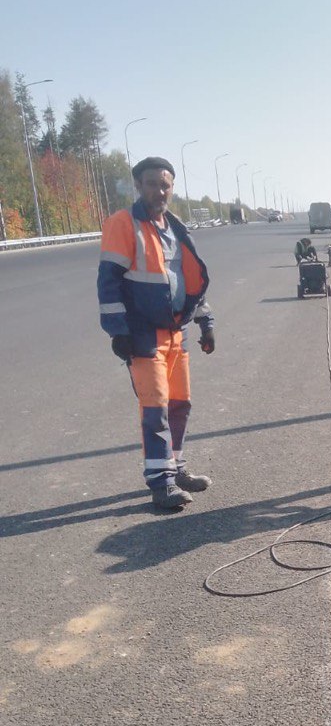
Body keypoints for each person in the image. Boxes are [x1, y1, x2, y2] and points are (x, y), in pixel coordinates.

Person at [98, 156, 216, 511]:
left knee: (180, 404)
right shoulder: (124, 224)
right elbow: (108, 282)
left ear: (172, 188)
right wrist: (119, 331)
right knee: (155, 409)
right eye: (152, 184)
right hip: (143, 333)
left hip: (176, 331)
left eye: (165, 185)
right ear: (139, 186)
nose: (159, 191)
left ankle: (176, 468)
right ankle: (161, 482)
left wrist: (205, 322)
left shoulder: (176, 227)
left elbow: (189, 280)